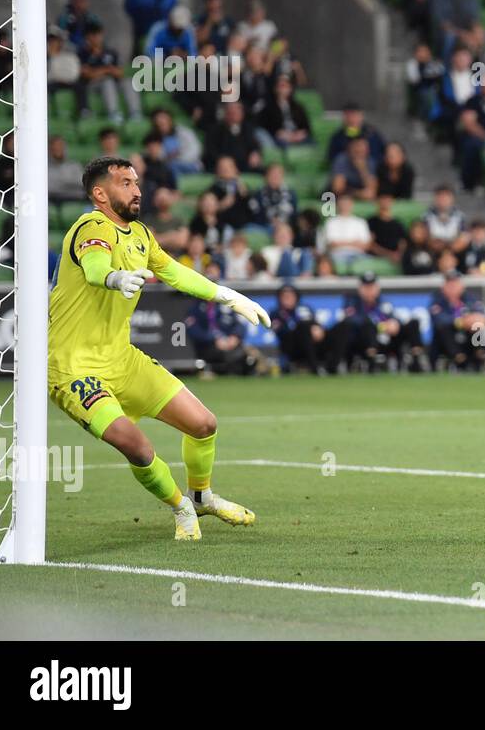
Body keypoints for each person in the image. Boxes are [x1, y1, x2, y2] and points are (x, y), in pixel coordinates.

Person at [47, 156, 269, 540]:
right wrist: (114, 278)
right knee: (135, 444)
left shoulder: (141, 235)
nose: (136, 189)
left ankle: (202, 497)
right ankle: (181, 507)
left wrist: (226, 295)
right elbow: (96, 266)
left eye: (136, 182)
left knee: (203, 424)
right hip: (73, 367)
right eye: (125, 183)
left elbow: (173, 272)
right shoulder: (89, 226)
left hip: (122, 359)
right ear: (100, 193)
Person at [429, 269, 485, 372]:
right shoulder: (438, 301)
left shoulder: (470, 299)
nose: (453, 287)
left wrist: (474, 320)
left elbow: (482, 317)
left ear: (462, 286)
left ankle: (481, 356)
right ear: (444, 287)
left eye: (456, 284)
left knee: (478, 325)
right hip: (446, 341)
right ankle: (460, 359)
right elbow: (439, 319)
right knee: (444, 329)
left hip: (468, 338)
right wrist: (461, 322)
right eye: (450, 284)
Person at [270, 284, 328, 374]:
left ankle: (333, 366)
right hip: (292, 346)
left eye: (290, 295)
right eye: (285, 296)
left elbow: (314, 323)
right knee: (303, 327)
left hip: (312, 342)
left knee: (341, 327)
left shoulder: (305, 309)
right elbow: (281, 332)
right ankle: (315, 368)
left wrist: (318, 329)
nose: (288, 298)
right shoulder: (276, 313)